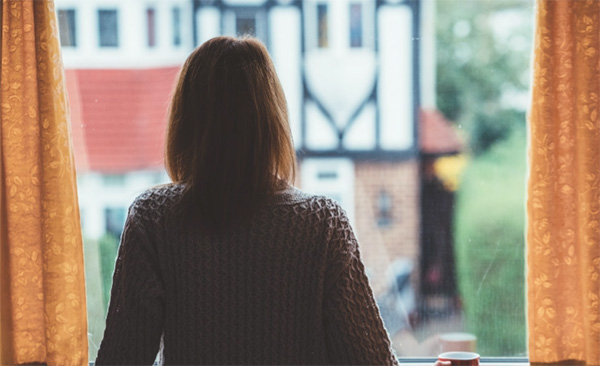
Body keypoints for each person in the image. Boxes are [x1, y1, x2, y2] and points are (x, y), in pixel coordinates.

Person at [95, 36, 449, 366]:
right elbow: (372, 361)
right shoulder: (322, 224)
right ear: (272, 121)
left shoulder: (154, 219)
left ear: (185, 121)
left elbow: (122, 358)